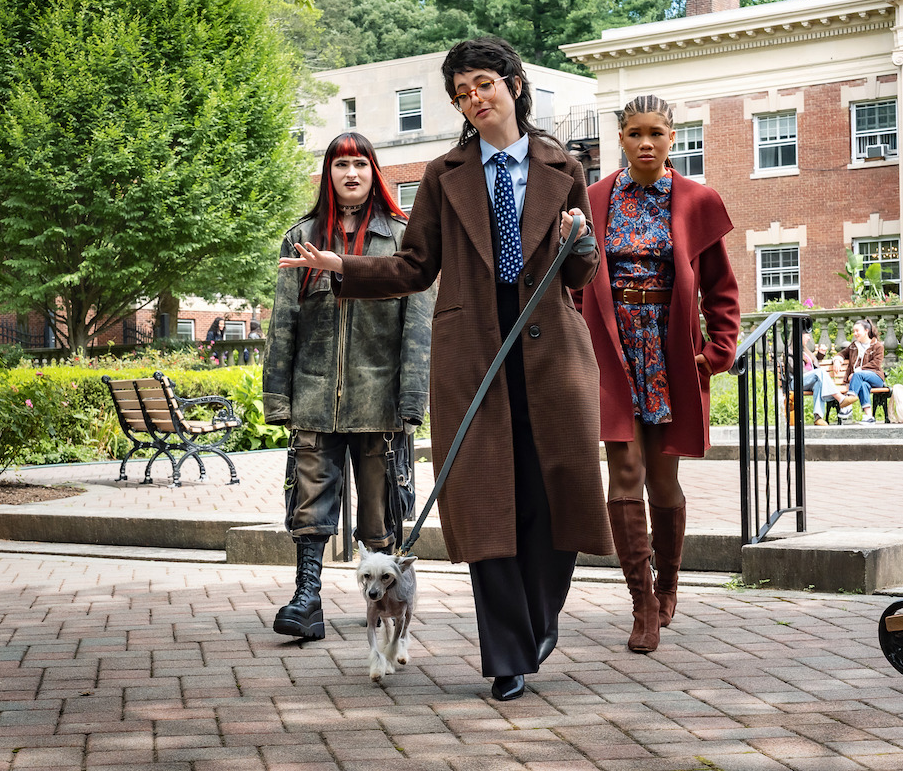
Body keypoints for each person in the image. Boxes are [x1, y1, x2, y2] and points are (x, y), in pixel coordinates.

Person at [279, 37, 612, 701]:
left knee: (557, 498)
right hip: (472, 360)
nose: (474, 99)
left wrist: (580, 241)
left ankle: (539, 621)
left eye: (484, 84)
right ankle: (507, 655)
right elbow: (414, 266)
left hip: (552, 358)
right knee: (489, 505)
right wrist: (342, 267)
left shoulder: (562, 165)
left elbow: (579, 272)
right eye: (462, 93)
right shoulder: (444, 173)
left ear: (515, 85)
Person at [577, 95, 739, 654]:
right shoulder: (593, 200)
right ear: (620, 138)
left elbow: (721, 288)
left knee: (662, 480)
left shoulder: (697, 200)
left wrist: (717, 351)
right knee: (623, 472)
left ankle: (668, 585)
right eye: (634, 133)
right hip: (612, 349)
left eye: (656, 133)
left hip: (670, 352)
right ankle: (642, 603)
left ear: (673, 137)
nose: (645, 142)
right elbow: (574, 283)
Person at [264, 132, 435, 642]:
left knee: (381, 511)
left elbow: (418, 326)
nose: (351, 173)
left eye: (360, 163)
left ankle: (387, 606)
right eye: (341, 165)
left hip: (379, 402)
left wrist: (412, 399)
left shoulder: (402, 240)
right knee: (310, 503)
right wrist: (278, 396)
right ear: (329, 174)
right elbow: (283, 323)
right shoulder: (301, 237)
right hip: (314, 398)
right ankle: (307, 599)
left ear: (373, 172)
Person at [836, 319, 886, 424]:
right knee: (863, 385)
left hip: (876, 377)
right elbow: (842, 354)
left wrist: (857, 372)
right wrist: (837, 360)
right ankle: (869, 417)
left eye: (857, 331)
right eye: (854, 331)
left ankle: (848, 404)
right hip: (860, 379)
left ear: (866, 331)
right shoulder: (854, 346)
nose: (855, 333)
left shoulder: (877, 346)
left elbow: (876, 364)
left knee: (858, 375)